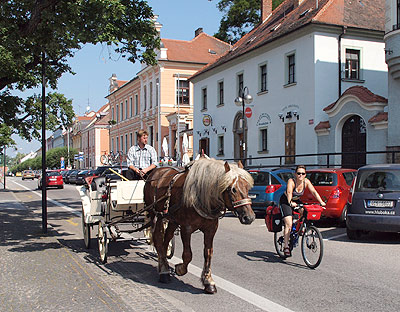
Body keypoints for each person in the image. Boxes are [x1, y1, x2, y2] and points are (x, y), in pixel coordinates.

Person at [279, 165, 326, 257]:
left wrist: (321, 202)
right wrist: (290, 202)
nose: (300, 175)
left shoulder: (306, 182)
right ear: (295, 174)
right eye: (298, 173)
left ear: (305, 175)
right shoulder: (291, 181)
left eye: (303, 173)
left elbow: (314, 192)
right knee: (288, 223)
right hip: (286, 201)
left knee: (305, 212)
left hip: (296, 201)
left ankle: (300, 228)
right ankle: (286, 247)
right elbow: (289, 192)